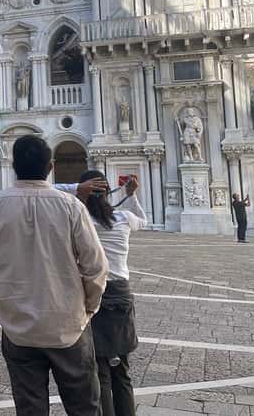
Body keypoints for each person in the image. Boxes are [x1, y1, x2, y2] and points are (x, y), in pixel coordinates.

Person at [0, 135, 108, 416]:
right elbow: (96, 266)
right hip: (68, 326)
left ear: (13, 165)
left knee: (30, 409)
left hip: (18, 327)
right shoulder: (71, 206)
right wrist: (89, 307)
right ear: (50, 167)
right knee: (85, 406)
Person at [78, 170, 146, 416]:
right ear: (107, 192)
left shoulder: (83, 222)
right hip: (121, 294)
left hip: (94, 294)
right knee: (122, 371)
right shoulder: (124, 217)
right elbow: (143, 220)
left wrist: (79, 196)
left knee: (101, 371)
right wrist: (131, 195)